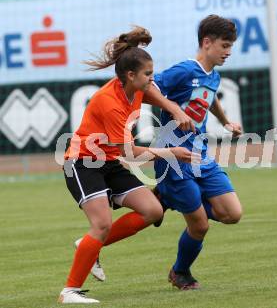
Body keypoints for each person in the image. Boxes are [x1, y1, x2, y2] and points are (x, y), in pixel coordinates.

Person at [58, 26, 200, 304]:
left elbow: (154, 94)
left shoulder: (135, 88)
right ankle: (69, 291)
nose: (152, 79)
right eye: (148, 74)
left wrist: (174, 108)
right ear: (131, 75)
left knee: (152, 210)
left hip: (109, 161)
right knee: (101, 224)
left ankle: (90, 247)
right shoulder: (110, 102)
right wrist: (171, 153)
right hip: (84, 162)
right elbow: (132, 154)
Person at [153, 14, 243, 290]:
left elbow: (210, 95)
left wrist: (226, 120)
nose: (229, 52)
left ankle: (168, 197)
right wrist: (174, 109)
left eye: (231, 46)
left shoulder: (212, 75)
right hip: (174, 157)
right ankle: (180, 273)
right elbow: (150, 87)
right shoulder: (183, 71)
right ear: (207, 42)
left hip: (200, 155)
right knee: (200, 226)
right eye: (225, 46)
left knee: (232, 214)